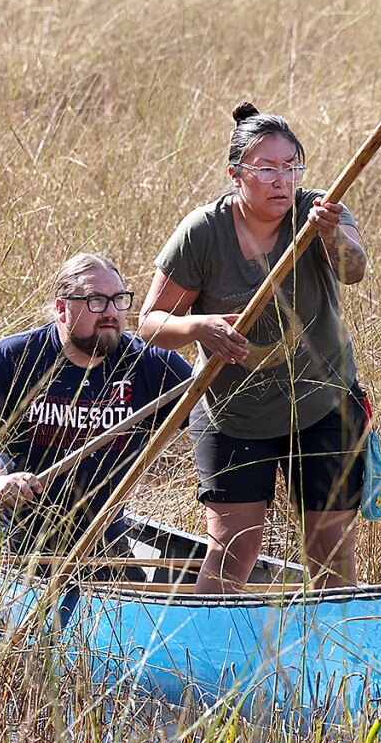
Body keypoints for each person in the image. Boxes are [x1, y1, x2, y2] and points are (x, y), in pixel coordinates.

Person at [140, 103, 369, 593]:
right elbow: (151, 325)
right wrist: (199, 326)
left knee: (329, 551)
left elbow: (354, 270)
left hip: (323, 403)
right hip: (233, 413)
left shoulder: (318, 211)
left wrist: (330, 235)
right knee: (234, 550)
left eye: (291, 167)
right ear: (235, 174)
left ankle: (335, 640)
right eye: (266, 169)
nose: (281, 181)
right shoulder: (203, 232)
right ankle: (206, 640)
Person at [0, 253, 193, 560]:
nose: (111, 312)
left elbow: (214, 419)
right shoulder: (12, 358)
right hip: (13, 535)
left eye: (118, 300)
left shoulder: (150, 364)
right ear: (61, 308)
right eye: (96, 301)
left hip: (100, 537)